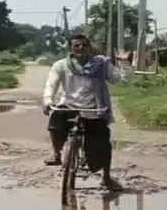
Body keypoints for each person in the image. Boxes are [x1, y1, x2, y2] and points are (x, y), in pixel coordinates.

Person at [42, 33, 123, 192]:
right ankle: (56, 154)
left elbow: (121, 81)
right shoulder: (61, 65)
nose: (80, 48)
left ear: (89, 48)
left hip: (94, 107)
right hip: (69, 105)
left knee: (103, 145)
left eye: (84, 45)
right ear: (70, 49)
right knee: (55, 121)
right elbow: (51, 84)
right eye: (76, 45)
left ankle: (106, 178)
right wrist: (48, 101)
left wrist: (124, 63)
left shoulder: (101, 64)